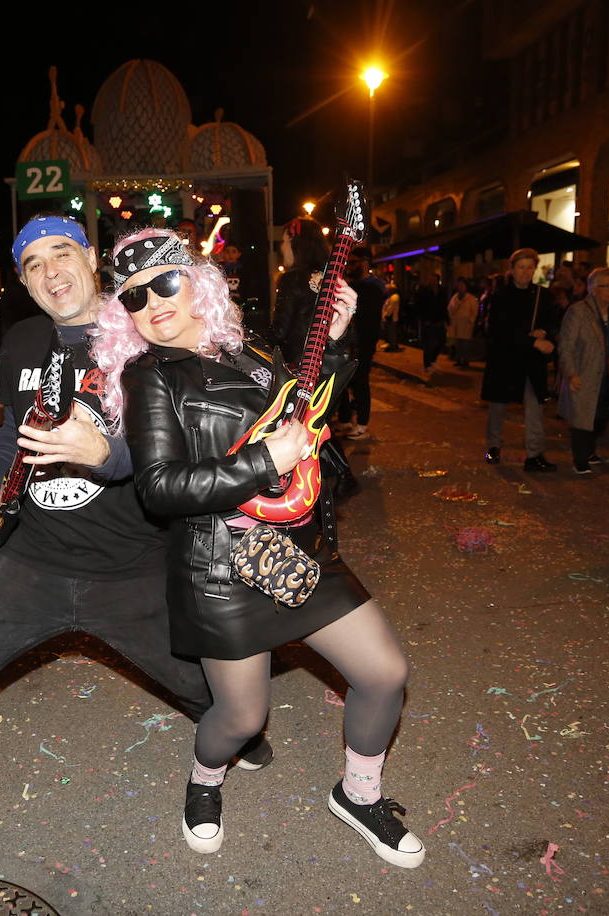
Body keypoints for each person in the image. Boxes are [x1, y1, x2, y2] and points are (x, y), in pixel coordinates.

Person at [0, 216, 272, 851]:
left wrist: (107, 453)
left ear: (90, 257)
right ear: (23, 280)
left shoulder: (144, 330)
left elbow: (176, 444)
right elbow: (14, 429)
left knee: (197, 687)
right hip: (33, 559)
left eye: (61, 253)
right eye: (33, 263)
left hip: (132, 564)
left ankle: (238, 731)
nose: (51, 272)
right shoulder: (19, 342)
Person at [94, 227, 422, 868]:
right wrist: (264, 460)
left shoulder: (250, 350)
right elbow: (159, 488)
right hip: (221, 568)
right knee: (242, 719)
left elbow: (304, 409)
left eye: (164, 281)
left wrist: (333, 343)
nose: (152, 302)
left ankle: (359, 795)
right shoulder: (150, 379)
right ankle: (205, 779)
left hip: (300, 552)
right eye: (134, 298)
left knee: (385, 674)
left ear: (199, 284)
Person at [482, 247, 559, 471]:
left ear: (535, 269)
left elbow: (553, 320)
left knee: (534, 406)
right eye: (521, 267)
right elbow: (499, 330)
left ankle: (534, 454)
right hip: (505, 360)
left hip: (530, 362)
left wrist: (544, 331)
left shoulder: (543, 296)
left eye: (529, 267)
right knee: (498, 406)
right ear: (512, 269)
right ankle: (494, 446)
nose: (525, 272)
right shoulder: (500, 296)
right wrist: (533, 341)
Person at [557, 268, 609, 475]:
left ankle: (589, 451)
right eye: (605, 286)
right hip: (585, 371)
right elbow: (566, 345)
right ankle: (580, 460)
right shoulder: (578, 311)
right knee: (582, 417)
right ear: (592, 289)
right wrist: (570, 373)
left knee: (602, 414)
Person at [337, 251, 384, 440]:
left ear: (364, 263)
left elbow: (370, 321)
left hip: (362, 344)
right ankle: (346, 420)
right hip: (349, 343)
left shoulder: (371, 287)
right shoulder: (353, 285)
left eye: (354, 262)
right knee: (344, 383)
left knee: (361, 383)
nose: (349, 265)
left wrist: (366, 345)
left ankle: (362, 424)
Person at [270, 217, 330, 365]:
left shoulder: (292, 279)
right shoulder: (332, 277)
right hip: (329, 363)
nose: (282, 248)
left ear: (295, 244)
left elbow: (280, 331)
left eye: (284, 242)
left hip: (300, 365)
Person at [447, 277, 479, 368]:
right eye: (459, 285)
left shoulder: (471, 299)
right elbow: (450, 308)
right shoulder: (455, 297)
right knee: (458, 343)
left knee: (465, 343)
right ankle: (459, 359)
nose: (460, 287)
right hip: (457, 324)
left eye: (462, 285)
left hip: (466, 325)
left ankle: (465, 360)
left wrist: (471, 321)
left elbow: (474, 311)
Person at [380, 282, 402, 351]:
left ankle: (393, 346)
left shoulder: (394, 297)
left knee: (392, 333)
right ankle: (391, 344)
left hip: (392, 318)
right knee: (390, 332)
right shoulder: (391, 296)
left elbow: (390, 308)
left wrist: (386, 315)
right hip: (390, 318)